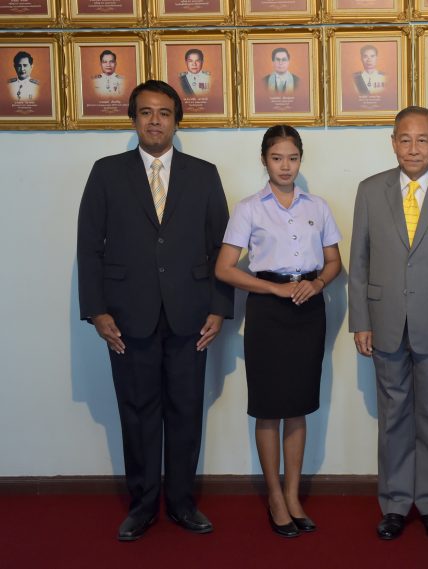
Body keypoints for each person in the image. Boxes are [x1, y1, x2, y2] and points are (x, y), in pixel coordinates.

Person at [77, 79, 233, 541]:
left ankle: (182, 503)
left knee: (186, 411)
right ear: (133, 119)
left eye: (164, 113)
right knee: (138, 412)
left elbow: (222, 246)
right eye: (145, 112)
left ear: (176, 121)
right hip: (127, 315)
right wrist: (97, 310)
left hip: (192, 314)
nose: (155, 121)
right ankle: (142, 506)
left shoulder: (204, 174)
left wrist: (220, 307)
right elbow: (89, 247)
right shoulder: (106, 173)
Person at [349, 106, 428, 541]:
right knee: (392, 418)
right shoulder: (370, 190)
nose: (413, 148)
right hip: (384, 321)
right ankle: (394, 503)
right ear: (393, 142)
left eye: (422, 139)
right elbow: (359, 261)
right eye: (404, 139)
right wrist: (360, 320)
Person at [215, 125, 342, 538]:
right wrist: (273, 288)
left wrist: (317, 284)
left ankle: (293, 495)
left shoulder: (318, 206)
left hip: (309, 310)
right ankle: (274, 496)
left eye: (292, 158)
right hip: (268, 311)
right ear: (264, 160)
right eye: (276, 158)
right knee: (269, 406)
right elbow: (224, 268)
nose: (285, 166)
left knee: (298, 405)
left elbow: (334, 262)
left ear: (301, 159)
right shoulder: (248, 208)